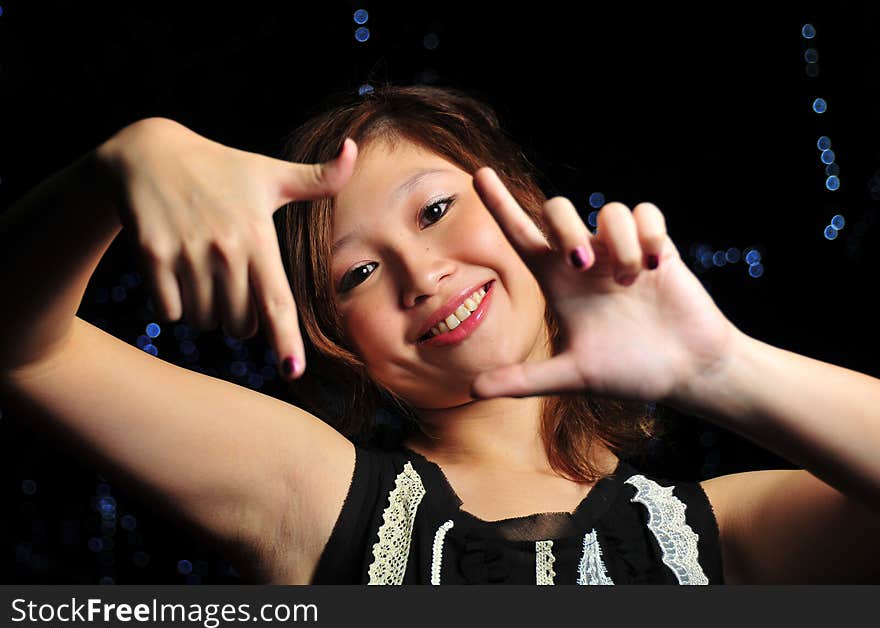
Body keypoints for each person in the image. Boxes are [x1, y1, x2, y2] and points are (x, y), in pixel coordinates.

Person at [1, 85, 878, 585]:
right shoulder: (315, 498)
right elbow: (24, 348)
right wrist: (120, 164)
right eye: (358, 273)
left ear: (524, 203)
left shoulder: (724, 529)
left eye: (434, 208)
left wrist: (720, 367)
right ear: (341, 338)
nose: (420, 273)